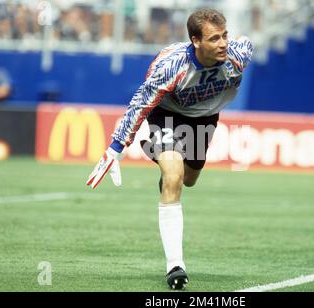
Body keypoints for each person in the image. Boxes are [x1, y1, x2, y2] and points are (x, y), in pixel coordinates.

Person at [86, 8, 253, 290]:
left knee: (189, 179)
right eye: (214, 39)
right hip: (166, 114)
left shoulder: (238, 56)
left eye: (225, 36)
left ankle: (170, 173)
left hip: (205, 117)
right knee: (174, 176)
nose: (223, 43)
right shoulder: (171, 68)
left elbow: (248, 42)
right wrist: (115, 149)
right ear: (195, 41)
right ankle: (175, 266)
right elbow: (140, 104)